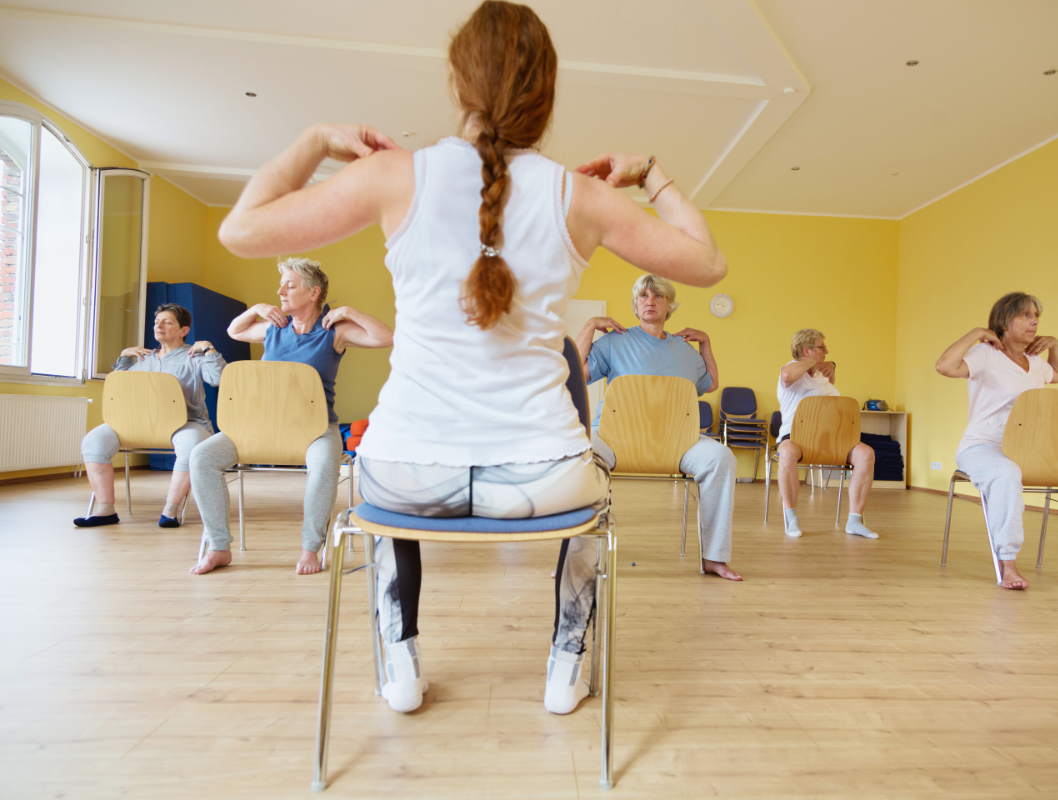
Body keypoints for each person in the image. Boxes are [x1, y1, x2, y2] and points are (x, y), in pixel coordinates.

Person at [215, 1, 726, 715]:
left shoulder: (394, 175)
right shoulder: (582, 197)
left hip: (403, 475)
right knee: (596, 489)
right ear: (547, 96)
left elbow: (240, 230)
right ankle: (566, 663)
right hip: (544, 480)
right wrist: (654, 176)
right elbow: (708, 262)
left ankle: (398, 661)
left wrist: (313, 141)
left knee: (379, 488)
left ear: (458, 85)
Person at [189, 258, 393, 576]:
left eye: (289, 285)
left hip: (315, 428)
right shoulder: (274, 327)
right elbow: (234, 330)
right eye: (281, 284)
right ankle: (218, 546)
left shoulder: (334, 331)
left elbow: (386, 337)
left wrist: (350, 312)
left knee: (325, 466)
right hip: (259, 427)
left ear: (314, 293)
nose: (280, 290)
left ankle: (311, 549)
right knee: (202, 457)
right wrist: (256, 307)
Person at [935, 292, 1058, 593]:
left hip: (1032, 450)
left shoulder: (1036, 362)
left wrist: (1055, 346)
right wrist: (976, 333)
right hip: (984, 446)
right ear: (1004, 321)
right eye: (1025, 315)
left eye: (1036, 315)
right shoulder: (986, 355)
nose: (1034, 321)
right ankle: (1007, 561)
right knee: (1005, 473)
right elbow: (944, 366)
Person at [577, 274, 743, 581]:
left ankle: (714, 558)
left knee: (722, 458)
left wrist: (705, 341)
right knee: (578, 451)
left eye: (658, 296)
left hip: (678, 443)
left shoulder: (685, 351)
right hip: (613, 440)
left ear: (669, 307)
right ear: (636, 305)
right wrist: (589, 326)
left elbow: (711, 383)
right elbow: (573, 372)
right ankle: (581, 556)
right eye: (643, 296)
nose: (650, 301)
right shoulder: (614, 342)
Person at [75, 303, 225, 528]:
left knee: (190, 448)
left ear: (184, 330)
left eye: (167, 321)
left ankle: (170, 510)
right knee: (93, 442)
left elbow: (218, 379)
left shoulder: (195, 356)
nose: (159, 325)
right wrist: (125, 356)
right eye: (157, 322)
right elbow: (119, 387)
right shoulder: (144, 358)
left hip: (186, 423)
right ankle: (105, 509)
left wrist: (209, 349)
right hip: (138, 424)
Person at [775, 329, 878, 539]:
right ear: (807, 350)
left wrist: (830, 366)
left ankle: (855, 521)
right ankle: (792, 518)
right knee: (786, 453)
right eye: (822, 347)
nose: (827, 351)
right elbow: (787, 375)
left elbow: (828, 396)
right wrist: (814, 362)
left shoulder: (822, 375)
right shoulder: (791, 371)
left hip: (834, 440)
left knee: (866, 453)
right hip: (796, 438)